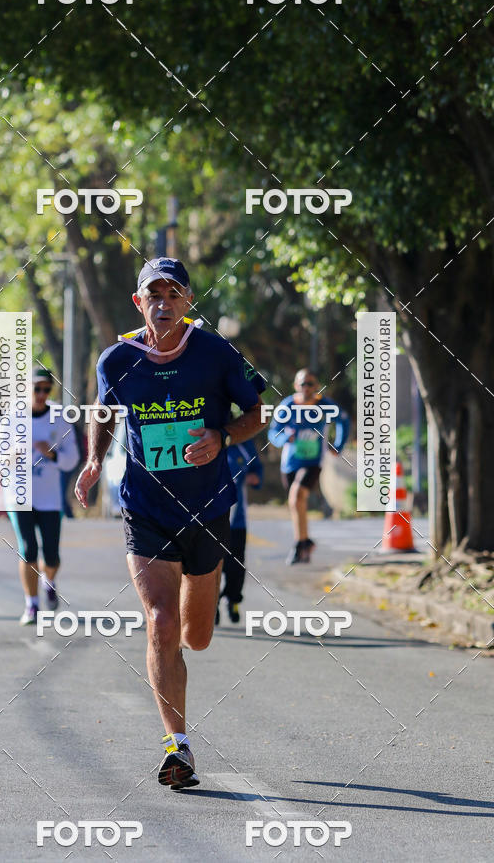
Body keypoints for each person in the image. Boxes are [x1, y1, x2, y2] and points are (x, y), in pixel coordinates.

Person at [74, 257, 264, 790]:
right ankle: (176, 747)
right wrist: (93, 461)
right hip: (145, 508)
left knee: (195, 637)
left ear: (187, 302)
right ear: (139, 303)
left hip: (206, 507)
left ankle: (181, 652)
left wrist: (222, 437)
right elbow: (104, 412)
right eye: (152, 294)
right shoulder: (116, 360)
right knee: (160, 622)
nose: (162, 303)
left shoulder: (216, 353)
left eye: (173, 294)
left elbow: (255, 415)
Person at [7, 368, 80, 626]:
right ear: (26, 388)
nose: (40, 394)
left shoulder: (59, 418)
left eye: (46, 389)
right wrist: (13, 453)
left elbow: (72, 458)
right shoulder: (12, 418)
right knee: (28, 550)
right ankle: (32, 604)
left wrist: (51, 454)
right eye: (36, 388)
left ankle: (49, 580)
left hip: (49, 497)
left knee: (51, 556)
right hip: (20, 496)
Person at [268, 368, 349, 565]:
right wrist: (286, 437)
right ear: (296, 386)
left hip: (314, 461)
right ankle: (305, 542)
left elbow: (344, 422)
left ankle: (299, 544)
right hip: (290, 463)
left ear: (316, 386)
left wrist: (338, 445)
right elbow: (273, 433)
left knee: (296, 497)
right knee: (297, 503)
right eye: (303, 384)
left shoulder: (325, 405)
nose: (307, 388)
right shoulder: (287, 405)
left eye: (311, 384)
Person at [216, 437, 263, 624]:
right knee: (212, 564)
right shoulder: (204, 440)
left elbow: (257, 469)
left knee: (236, 565)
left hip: (237, 520)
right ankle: (211, 606)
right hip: (210, 520)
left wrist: (255, 477)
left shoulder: (245, 445)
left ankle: (233, 600)